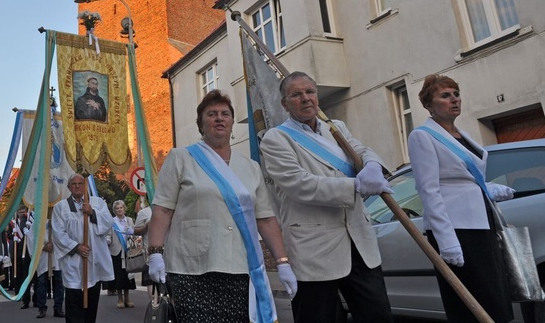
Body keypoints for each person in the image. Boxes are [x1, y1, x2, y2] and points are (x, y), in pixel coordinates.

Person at [147, 89, 297, 323]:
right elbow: (163, 209)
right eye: (212, 114)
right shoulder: (181, 158)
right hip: (192, 268)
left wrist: (282, 262)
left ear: (231, 123)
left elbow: (265, 219)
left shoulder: (250, 167)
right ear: (201, 124)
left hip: (240, 266)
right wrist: (155, 253)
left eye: (225, 114)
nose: (219, 118)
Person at [259, 71, 393, 323]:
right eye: (296, 94)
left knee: (379, 317)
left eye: (310, 92)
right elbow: (300, 185)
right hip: (314, 250)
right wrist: (356, 185)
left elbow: (362, 151)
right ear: (284, 104)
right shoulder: (275, 139)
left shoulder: (336, 128)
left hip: (359, 244)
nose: (306, 98)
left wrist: (373, 165)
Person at [407, 74, 515, 322]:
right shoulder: (422, 136)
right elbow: (429, 190)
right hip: (456, 230)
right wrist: (447, 241)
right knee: (470, 304)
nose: (454, 100)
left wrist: (487, 188)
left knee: (494, 298)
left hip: (482, 223)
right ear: (428, 104)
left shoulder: (462, 135)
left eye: (456, 94)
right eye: (445, 95)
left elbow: (462, 177)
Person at [52, 174, 114, 323]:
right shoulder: (61, 207)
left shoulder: (98, 203)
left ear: (86, 186)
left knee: (91, 303)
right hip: (73, 261)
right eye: (74, 184)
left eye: (81, 183)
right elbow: (58, 233)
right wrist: (76, 247)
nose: (78, 186)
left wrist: (92, 212)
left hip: (94, 261)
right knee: (74, 302)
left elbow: (108, 223)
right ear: (69, 187)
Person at [31, 218, 66, 318]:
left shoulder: (58, 220)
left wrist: (55, 245)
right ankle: (41, 308)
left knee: (59, 282)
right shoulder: (38, 221)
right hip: (43, 256)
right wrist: (43, 246)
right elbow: (32, 239)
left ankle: (58, 308)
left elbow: (64, 236)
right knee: (42, 282)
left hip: (56, 255)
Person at [108, 200, 136, 308]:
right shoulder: (112, 222)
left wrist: (132, 232)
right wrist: (107, 241)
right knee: (119, 276)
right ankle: (120, 299)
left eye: (121, 207)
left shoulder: (129, 220)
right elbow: (108, 235)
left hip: (128, 251)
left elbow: (135, 234)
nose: (119, 210)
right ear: (115, 210)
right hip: (116, 251)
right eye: (117, 208)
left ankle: (128, 298)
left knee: (128, 276)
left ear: (124, 208)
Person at [133, 199, 154, 300]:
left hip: (169, 251)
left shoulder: (170, 209)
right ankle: (154, 306)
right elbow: (135, 231)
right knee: (150, 280)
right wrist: (146, 227)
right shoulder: (144, 212)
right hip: (149, 251)